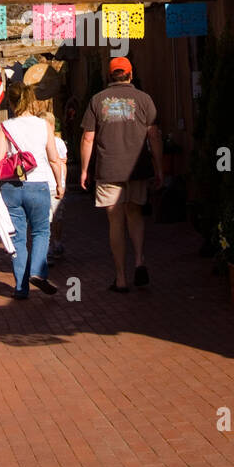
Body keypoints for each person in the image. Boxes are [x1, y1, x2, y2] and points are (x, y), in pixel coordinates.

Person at [80, 56, 163, 292]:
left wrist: (84, 170)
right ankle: (139, 260)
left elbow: (88, 137)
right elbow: (154, 135)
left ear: (110, 76)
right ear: (130, 75)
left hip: (109, 169)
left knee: (115, 221)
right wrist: (159, 168)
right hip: (137, 168)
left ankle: (121, 278)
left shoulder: (97, 100)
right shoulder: (144, 99)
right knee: (135, 214)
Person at [0, 82, 65, 299]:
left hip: (11, 186)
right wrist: (59, 184)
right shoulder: (44, 126)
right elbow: (54, 159)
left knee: (18, 237)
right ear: (31, 100)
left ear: (11, 102)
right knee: (41, 231)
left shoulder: (4, 127)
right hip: (39, 184)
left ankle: (21, 288)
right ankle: (38, 272)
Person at [42, 111, 68, 261]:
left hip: (43, 184)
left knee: (46, 219)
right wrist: (62, 183)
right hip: (54, 184)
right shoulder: (58, 142)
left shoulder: (40, 141)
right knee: (56, 217)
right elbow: (62, 164)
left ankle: (49, 247)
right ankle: (55, 244)